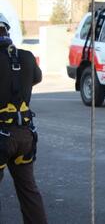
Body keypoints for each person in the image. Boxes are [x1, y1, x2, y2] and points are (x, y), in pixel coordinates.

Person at [0, 13, 47, 224]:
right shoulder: (26, 57)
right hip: (25, 135)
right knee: (29, 191)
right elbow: (36, 78)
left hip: (1, 136)